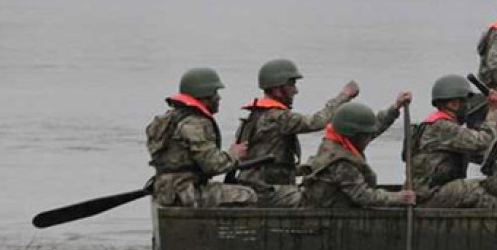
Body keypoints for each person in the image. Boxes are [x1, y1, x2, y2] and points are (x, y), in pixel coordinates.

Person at [232, 59, 360, 207]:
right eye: (291, 84)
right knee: (318, 200)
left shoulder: (255, 114)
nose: (295, 90)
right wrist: (343, 96)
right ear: (277, 89)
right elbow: (317, 122)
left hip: (255, 186)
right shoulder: (278, 117)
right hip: (265, 191)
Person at [145, 68, 257, 208]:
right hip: (186, 193)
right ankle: (222, 230)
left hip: (164, 191)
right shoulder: (196, 123)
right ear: (205, 94)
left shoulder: (165, 120)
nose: (219, 98)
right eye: (215, 93)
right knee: (247, 194)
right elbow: (213, 165)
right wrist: (233, 155)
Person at [299, 102, 416, 208]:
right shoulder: (341, 162)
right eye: (366, 136)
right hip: (332, 213)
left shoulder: (336, 141)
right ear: (354, 135)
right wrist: (398, 198)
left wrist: (395, 107)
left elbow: (375, 128)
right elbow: (363, 196)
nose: (369, 138)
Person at [409, 74, 497, 208]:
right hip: (431, 194)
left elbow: (478, 152)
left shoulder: (433, 124)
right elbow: (484, 141)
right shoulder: (443, 127)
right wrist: (493, 111)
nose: (468, 107)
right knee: (486, 188)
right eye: (465, 102)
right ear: (453, 103)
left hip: (428, 191)